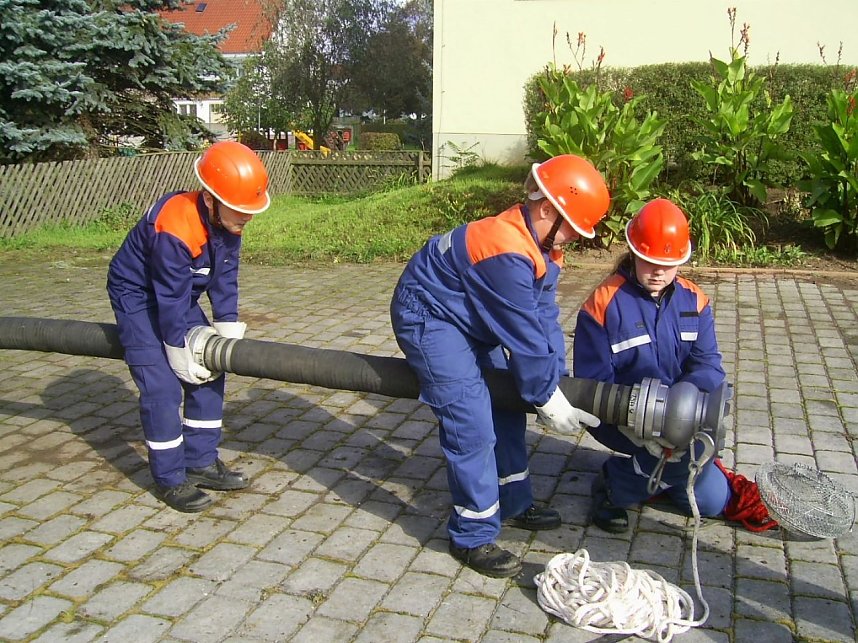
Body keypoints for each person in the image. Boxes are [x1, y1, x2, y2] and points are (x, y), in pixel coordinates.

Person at [390, 155, 611, 577]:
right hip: (429, 316)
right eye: (572, 227)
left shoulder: (544, 248)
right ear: (547, 210)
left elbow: (544, 317)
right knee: (471, 417)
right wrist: (545, 396)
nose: (574, 238)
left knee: (507, 407)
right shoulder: (505, 249)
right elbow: (522, 334)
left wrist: (556, 381)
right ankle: (472, 535)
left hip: (470, 315)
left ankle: (513, 501)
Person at [107, 141, 270, 513]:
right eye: (241, 210)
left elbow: (224, 277)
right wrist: (177, 349)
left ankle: (200, 461)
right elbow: (170, 298)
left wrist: (226, 327)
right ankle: (169, 478)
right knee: (162, 387)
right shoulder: (175, 225)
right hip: (138, 295)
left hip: (177, 294)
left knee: (210, 368)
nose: (247, 218)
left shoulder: (228, 220)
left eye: (250, 210)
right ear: (210, 199)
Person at [572, 198, 732, 532]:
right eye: (649, 261)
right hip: (622, 420)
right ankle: (614, 485)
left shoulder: (695, 300)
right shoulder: (603, 304)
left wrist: (682, 411)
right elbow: (592, 384)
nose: (658, 271)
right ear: (633, 253)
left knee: (713, 501)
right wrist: (641, 423)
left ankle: (657, 476)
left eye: (668, 264)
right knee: (674, 464)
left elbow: (709, 366)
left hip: (681, 420)